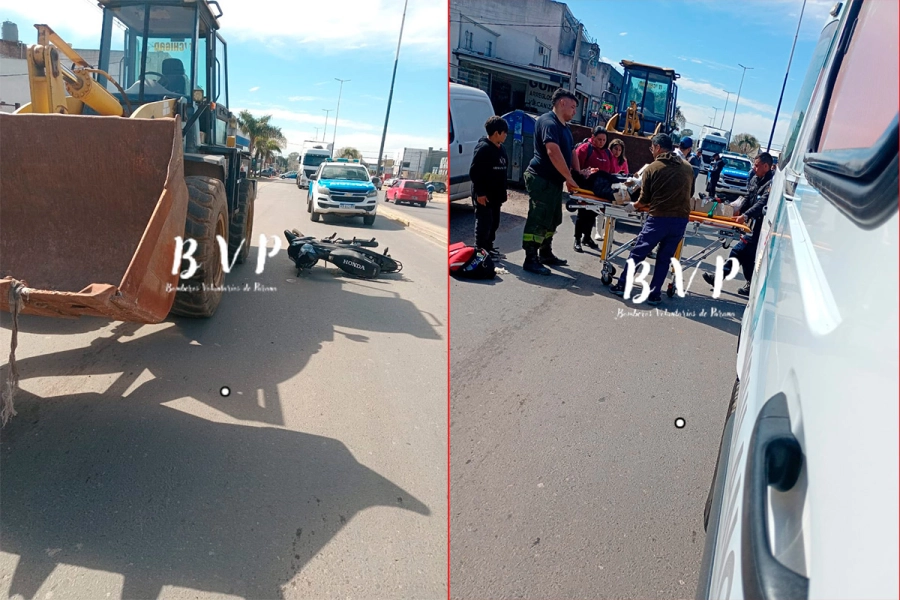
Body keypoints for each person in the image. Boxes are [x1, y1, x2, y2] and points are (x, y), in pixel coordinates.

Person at [609, 133, 693, 306]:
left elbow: (644, 200)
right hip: (680, 221)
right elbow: (690, 194)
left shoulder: (653, 168)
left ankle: (622, 285)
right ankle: (654, 295)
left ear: (657, 147)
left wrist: (633, 206)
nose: (652, 152)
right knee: (664, 258)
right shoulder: (687, 167)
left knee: (638, 252)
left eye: (652, 148)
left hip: (659, 219)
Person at [521, 88, 579, 275]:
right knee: (539, 217)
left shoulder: (565, 128)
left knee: (553, 218)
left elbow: (570, 152)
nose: (574, 111)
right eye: (573, 106)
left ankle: (545, 253)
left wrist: (578, 174)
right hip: (541, 178)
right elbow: (552, 151)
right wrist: (569, 179)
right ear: (562, 102)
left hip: (553, 182)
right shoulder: (548, 122)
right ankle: (530, 258)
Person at [702, 152, 775, 296]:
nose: (754, 168)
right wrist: (735, 209)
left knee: (740, 252)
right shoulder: (755, 179)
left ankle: (721, 279)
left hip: (763, 227)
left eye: (756, 165)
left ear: (766, 166)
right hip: (751, 226)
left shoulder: (771, 184)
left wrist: (745, 215)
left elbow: (762, 203)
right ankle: (750, 284)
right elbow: (748, 197)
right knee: (747, 257)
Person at [469, 116, 509, 259]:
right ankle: (481, 250)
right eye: (504, 132)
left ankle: (489, 247)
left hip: (496, 194)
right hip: (483, 194)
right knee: (484, 223)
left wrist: (504, 190)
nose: (506, 135)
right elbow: (474, 172)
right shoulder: (483, 148)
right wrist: (480, 193)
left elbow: (503, 170)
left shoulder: (501, 149)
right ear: (496, 132)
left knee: (494, 222)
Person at [570, 126, 613, 252]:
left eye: (604, 140)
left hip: (600, 190)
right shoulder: (584, 149)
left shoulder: (607, 153)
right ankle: (577, 239)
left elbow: (610, 170)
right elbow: (575, 167)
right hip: (585, 188)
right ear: (593, 137)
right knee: (582, 213)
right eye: (599, 139)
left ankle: (587, 238)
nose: (601, 142)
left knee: (593, 213)